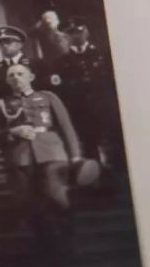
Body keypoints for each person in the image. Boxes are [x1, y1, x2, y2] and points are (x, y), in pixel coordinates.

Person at [0, 64, 82, 260]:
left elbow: (66, 126)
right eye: (11, 75)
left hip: (52, 153)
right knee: (30, 203)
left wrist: (75, 155)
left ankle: (69, 245)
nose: (16, 77)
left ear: (31, 76)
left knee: (58, 198)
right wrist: (11, 132)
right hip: (21, 156)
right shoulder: (1, 104)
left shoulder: (48, 97)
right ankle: (45, 248)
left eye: (20, 73)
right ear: (7, 81)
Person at [53, 16, 124, 170]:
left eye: (79, 31)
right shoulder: (60, 63)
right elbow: (62, 93)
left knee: (116, 149)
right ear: (66, 37)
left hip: (108, 111)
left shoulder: (105, 55)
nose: (76, 36)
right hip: (81, 114)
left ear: (87, 32)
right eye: (71, 33)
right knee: (89, 150)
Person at [0, 25, 54, 105]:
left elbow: (48, 93)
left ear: (20, 44)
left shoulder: (38, 65)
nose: (4, 46)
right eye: (0, 43)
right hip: (9, 113)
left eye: (8, 42)